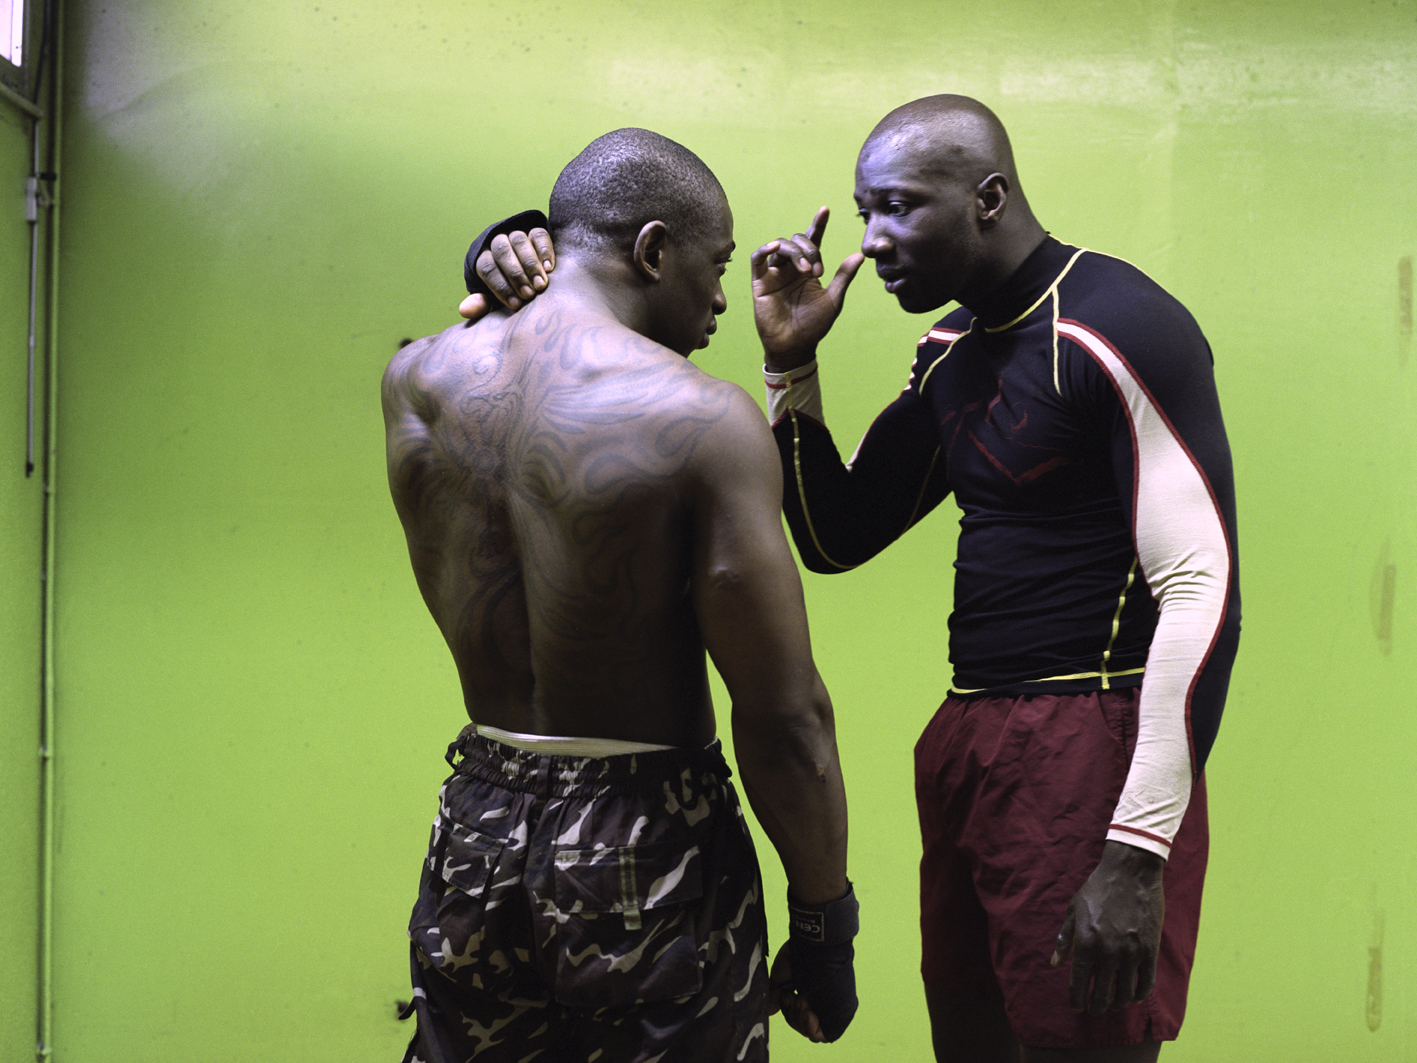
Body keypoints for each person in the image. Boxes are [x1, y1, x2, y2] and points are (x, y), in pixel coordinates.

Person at [467, 96, 1240, 1063]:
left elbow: (1201, 590)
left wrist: (1137, 849)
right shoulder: (955, 347)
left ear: (988, 197)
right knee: (969, 1040)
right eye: (862, 210)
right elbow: (837, 534)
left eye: (898, 209)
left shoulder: (1118, 326)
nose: (870, 243)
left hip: (1091, 741)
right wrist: (791, 363)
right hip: (971, 735)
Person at [382, 128, 857, 1063]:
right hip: (649, 841)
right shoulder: (702, 419)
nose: (724, 296)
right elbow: (785, 719)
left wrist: (496, 252)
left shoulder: (417, 379)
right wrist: (822, 921)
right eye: (714, 266)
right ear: (651, 250)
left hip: (476, 819)